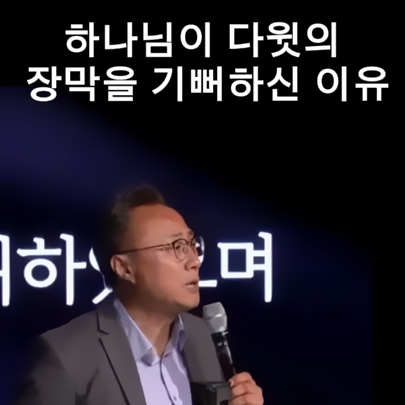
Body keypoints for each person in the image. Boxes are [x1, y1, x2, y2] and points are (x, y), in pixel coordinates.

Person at [12, 185, 263, 405]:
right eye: (175, 247)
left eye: (191, 244)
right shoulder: (66, 356)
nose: (194, 261)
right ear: (124, 267)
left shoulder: (202, 338)